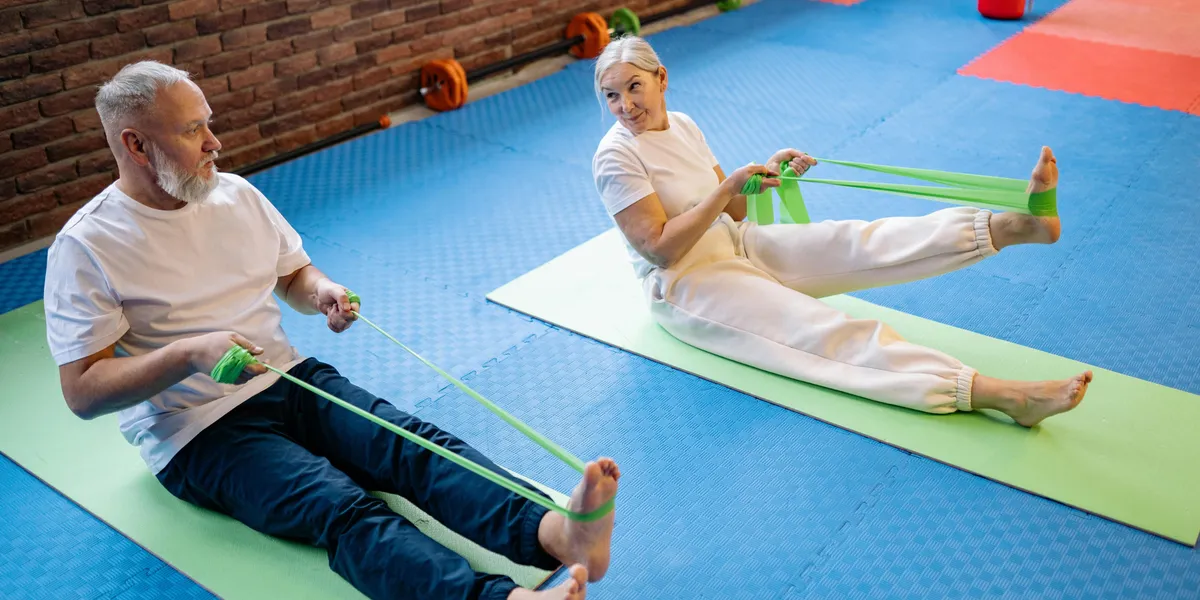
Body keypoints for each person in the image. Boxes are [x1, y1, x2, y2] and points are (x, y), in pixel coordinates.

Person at [42, 60, 618, 600]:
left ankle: (558, 534)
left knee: (409, 444)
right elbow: (83, 392)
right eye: (193, 131)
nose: (214, 142)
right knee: (340, 508)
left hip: (288, 377)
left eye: (208, 124)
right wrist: (189, 354)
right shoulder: (87, 246)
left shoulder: (235, 194)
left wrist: (321, 291)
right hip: (195, 432)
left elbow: (293, 274)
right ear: (136, 145)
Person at [590, 36, 1091, 427]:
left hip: (734, 242)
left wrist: (766, 173)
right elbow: (658, 249)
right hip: (686, 283)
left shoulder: (682, 123)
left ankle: (1016, 225)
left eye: (634, 87)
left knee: (858, 240)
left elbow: (736, 211)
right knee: (822, 328)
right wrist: (726, 190)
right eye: (611, 96)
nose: (625, 105)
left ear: (661, 78)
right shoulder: (615, 156)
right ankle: (1005, 396)